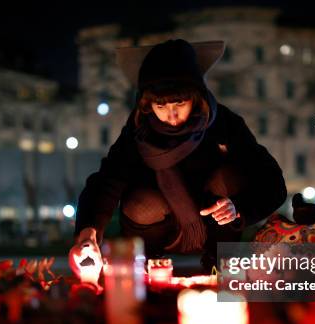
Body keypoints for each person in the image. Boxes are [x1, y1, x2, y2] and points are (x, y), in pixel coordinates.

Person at [69, 39, 286, 276]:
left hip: (215, 226)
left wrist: (239, 208)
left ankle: (221, 262)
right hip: (159, 227)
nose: (171, 115)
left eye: (179, 103)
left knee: (228, 178)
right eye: (160, 105)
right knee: (140, 203)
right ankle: (147, 265)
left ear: (195, 96)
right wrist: (88, 231)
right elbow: (108, 180)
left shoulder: (223, 123)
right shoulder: (139, 130)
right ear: (147, 103)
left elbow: (271, 180)